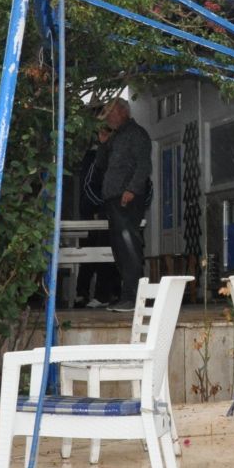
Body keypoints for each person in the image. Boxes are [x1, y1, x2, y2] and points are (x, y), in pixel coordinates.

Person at [98, 97, 152, 312]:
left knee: (128, 247)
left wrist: (132, 189)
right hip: (113, 198)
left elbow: (143, 165)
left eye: (111, 113)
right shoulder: (116, 137)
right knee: (119, 249)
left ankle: (134, 296)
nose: (108, 117)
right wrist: (103, 145)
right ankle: (127, 295)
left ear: (122, 111)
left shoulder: (136, 134)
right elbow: (101, 165)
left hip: (127, 198)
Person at [75, 125, 118, 308]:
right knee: (92, 251)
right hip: (94, 212)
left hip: (111, 212)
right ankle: (85, 293)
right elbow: (88, 187)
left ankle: (109, 293)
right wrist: (101, 207)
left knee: (111, 252)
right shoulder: (94, 158)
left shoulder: (118, 155)